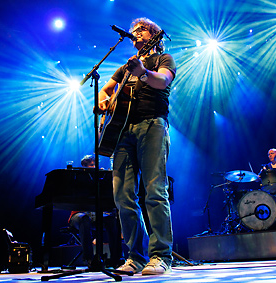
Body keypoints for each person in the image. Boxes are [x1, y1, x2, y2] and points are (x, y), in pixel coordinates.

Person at [98, 18, 176, 275]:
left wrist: (143, 71)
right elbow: (105, 92)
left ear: (153, 34)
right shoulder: (124, 67)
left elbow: (162, 81)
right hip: (121, 131)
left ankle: (161, 256)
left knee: (154, 191)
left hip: (151, 124)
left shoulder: (163, 60)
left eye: (140, 29)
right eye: (133, 31)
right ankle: (136, 257)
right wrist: (103, 101)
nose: (134, 33)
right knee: (122, 196)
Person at [68, 155, 123, 268]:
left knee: (111, 220)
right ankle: (88, 259)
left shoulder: (99, 178)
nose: (94, 167)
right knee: (84, 218)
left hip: (95, 214)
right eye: (91, 165)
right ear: (84, 166)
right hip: (78, 215)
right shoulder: (77, 177)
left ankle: (116, 258)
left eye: (94, 165)